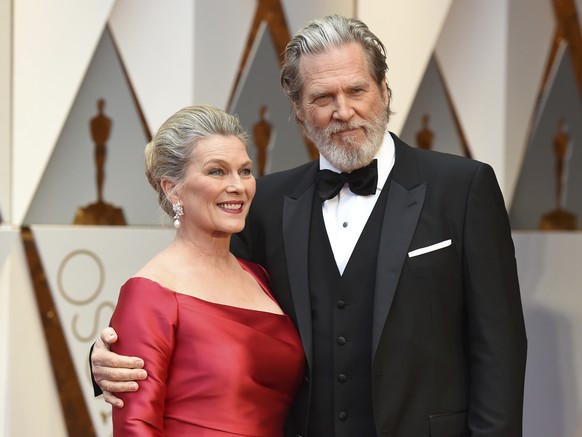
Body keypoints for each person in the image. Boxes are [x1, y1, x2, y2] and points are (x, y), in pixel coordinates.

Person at [91, 15, 527, 436]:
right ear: (299, 111)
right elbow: (202, 308)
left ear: (385, 92)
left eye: (358, 89)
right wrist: (107, 355)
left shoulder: (462, 188)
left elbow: (499, 347)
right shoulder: (266, 203)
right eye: (322, 97)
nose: (343, 110)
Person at [102, 104, 304, 435]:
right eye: (216, 171)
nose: (238, 186)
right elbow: (134, 429)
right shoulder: (148, 293)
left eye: (245, 170)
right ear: (172, 189)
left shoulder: (260, 277)